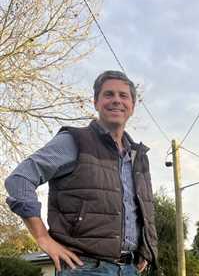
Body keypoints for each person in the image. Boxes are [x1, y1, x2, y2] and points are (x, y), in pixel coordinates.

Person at [5, 70, 158, 275]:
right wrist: (42, 237)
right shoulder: (74, 141)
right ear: (96, 102)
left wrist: (146, 251)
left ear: (132, 106)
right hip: (84, 267)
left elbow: (142, 210)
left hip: (130, 269)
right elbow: (19, 180)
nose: (116, 101)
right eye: (108, 94)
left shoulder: (138, 157)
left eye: (123, 96)